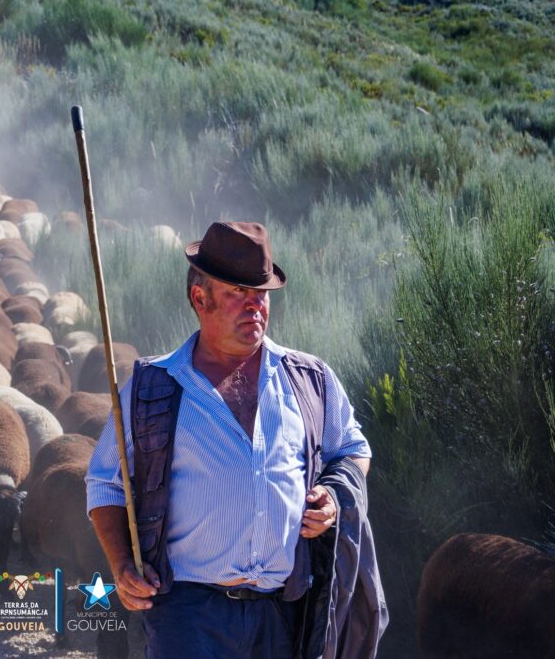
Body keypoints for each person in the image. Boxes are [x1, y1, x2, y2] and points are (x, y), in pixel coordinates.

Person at [86, 221, 387, 658]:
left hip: (285, 612)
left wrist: (334, 497)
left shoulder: (309, 379)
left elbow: (353, 451)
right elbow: (105, 484)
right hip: (188, 614)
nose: (255, 306)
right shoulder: (154, 386)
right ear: (199, 298)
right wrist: (120, 565)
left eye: (261, 294)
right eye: (238, 293)